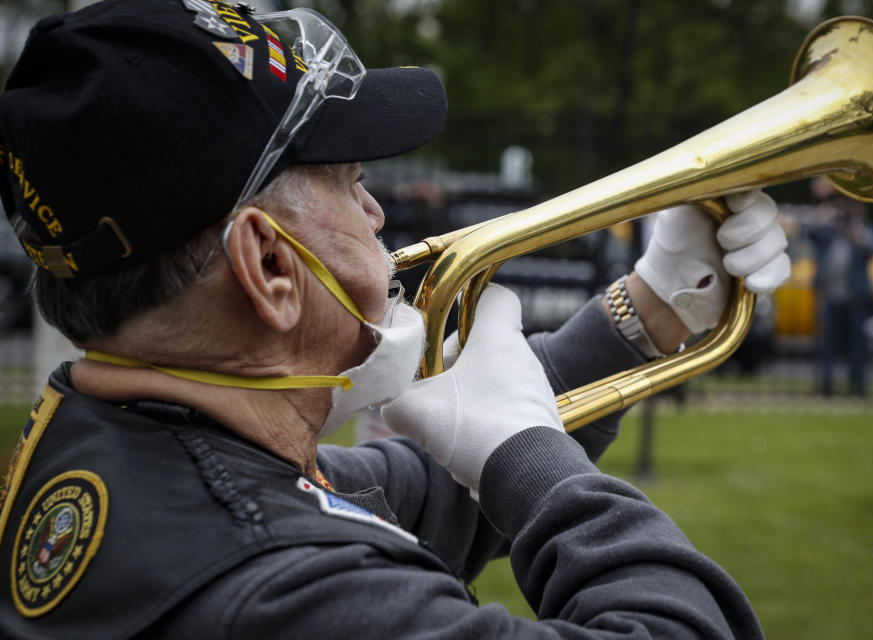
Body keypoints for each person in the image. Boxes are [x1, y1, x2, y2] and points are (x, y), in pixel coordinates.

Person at [0, 1, 789, 638]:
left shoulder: (111, 448)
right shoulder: (289, 591)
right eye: (349, 182)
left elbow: (407, 494)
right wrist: (531, 452)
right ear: (270, 268)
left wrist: (650, 306)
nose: (377, 211)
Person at [808, 177, 873, 396]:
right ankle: (825, 385)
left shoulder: (865, 230)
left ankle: (857, 386)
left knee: (858, 346)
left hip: (856, 296)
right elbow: (809, 231)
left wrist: (853, 226)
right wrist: (827, 213)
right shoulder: (828, 230)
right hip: (829, 295)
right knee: (826, 344)